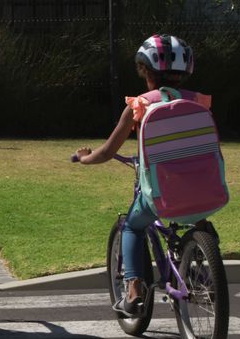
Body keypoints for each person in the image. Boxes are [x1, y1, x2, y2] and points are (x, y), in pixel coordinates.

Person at [74, 34, 211, 315]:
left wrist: (85, 158)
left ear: (146, 72)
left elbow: (109, 150)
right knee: (200, 223)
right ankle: (205, 268)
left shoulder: (140, 105)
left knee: (133, 226)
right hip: (204, 187)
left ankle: (134, 288)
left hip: (160, 192)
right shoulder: (199, 102)